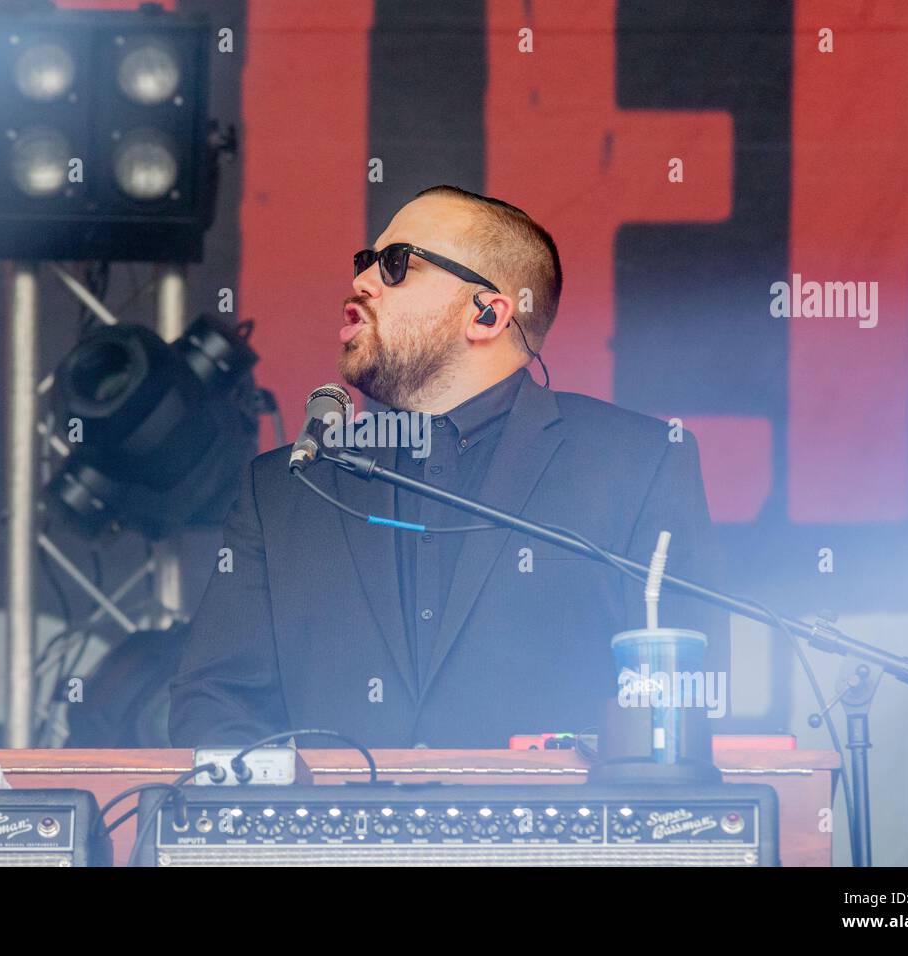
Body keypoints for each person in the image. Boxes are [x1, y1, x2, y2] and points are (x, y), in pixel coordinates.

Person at [168, 184, 728, 748]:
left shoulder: (637, 463)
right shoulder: (287, 486)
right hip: (333, 835)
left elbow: (680, 705)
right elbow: (215, 702)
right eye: (365, 262)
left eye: (394, 265)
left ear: (486, 314)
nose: (360, 281)